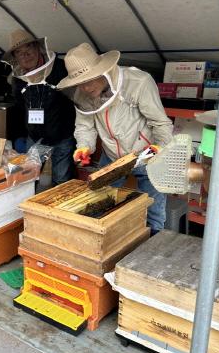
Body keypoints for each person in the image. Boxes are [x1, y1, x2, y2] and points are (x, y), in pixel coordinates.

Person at [57, 43, 173, 234]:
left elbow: (161, 123)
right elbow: (84, 126)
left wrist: (158, 149)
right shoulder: (82, 94)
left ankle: (151, 251)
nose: (86, 87)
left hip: (146, 154)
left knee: (153, 210)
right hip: (112, 157)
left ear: (103, 70)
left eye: (90, 79)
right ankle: (108, 241)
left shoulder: (139, 82)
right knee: (101, 203)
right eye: (80, 82)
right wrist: (84, 147)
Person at [2, 29, 76, 185]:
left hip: (62, 136)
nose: (25, 55)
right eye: (19, 52)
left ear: (37, 47)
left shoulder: (60, 68)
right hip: (35, 138)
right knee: (29, 178)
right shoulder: (18, 80)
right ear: (15, 57)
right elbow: (21, 108)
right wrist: (18, 137)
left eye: (28, 48)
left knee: (62, 181)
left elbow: (75, 99)